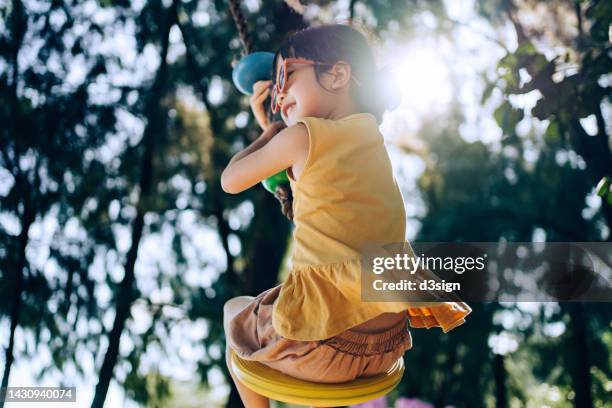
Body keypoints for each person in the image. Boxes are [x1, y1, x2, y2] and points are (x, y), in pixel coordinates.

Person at [220, 23, 472, 408]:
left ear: (337, 73)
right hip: (385, 351)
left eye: (285, 75)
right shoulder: (372, 138)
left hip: (320, 344)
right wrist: (279, 125)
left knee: (234, 311)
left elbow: (231, 181)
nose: (279, 93)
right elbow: (313, 189)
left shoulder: (300, 135)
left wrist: (269, 132)